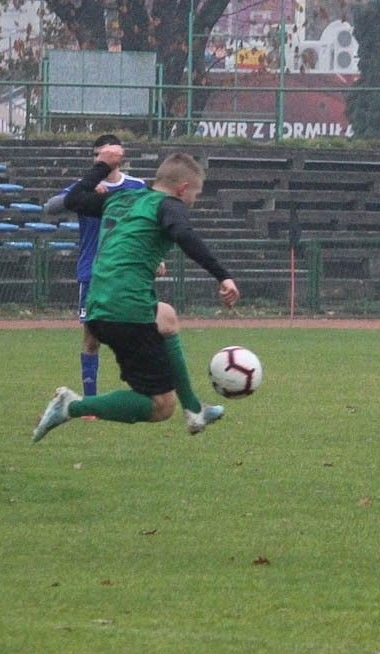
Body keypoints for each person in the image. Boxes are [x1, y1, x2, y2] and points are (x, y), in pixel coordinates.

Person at [32, 146, 240, 442]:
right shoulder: (169, 205)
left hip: (99, 301)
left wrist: (101, 167)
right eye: (195, 193)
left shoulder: (122, 198)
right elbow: (184, 234)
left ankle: (194, 409)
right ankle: (72, 406)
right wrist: (223, 276)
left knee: (166, 317)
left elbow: (74, 200)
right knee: (160, 406)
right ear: (182, 189)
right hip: (126, 310)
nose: (194, 200)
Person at [43, 134, 147, 400]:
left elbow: (147, 228)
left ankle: (145, 392)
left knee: (140, 331)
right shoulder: (83, 188)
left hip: (127, 272)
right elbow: (50, 207)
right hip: (93, 272)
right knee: (92, 337)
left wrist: (154, 258)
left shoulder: (137, 187)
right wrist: (86, 187)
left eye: (108, 154)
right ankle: (90, 401)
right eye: (98, 155)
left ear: (120, 157)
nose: (103, 159)